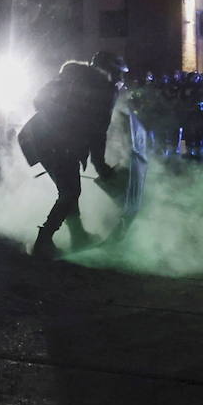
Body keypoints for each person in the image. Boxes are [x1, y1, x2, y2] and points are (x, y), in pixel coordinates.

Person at [17, 51, 125, 259]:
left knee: (69, 189)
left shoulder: (71, 76)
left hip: (38, 136)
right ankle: (43, 242)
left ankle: (78, 236)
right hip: (58, 142)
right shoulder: (104, 89)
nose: (120, 80)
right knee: (70, 192)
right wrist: (100, 164)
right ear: (110, 71)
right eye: (119, 74)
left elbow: (38, 100)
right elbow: (97, 131)